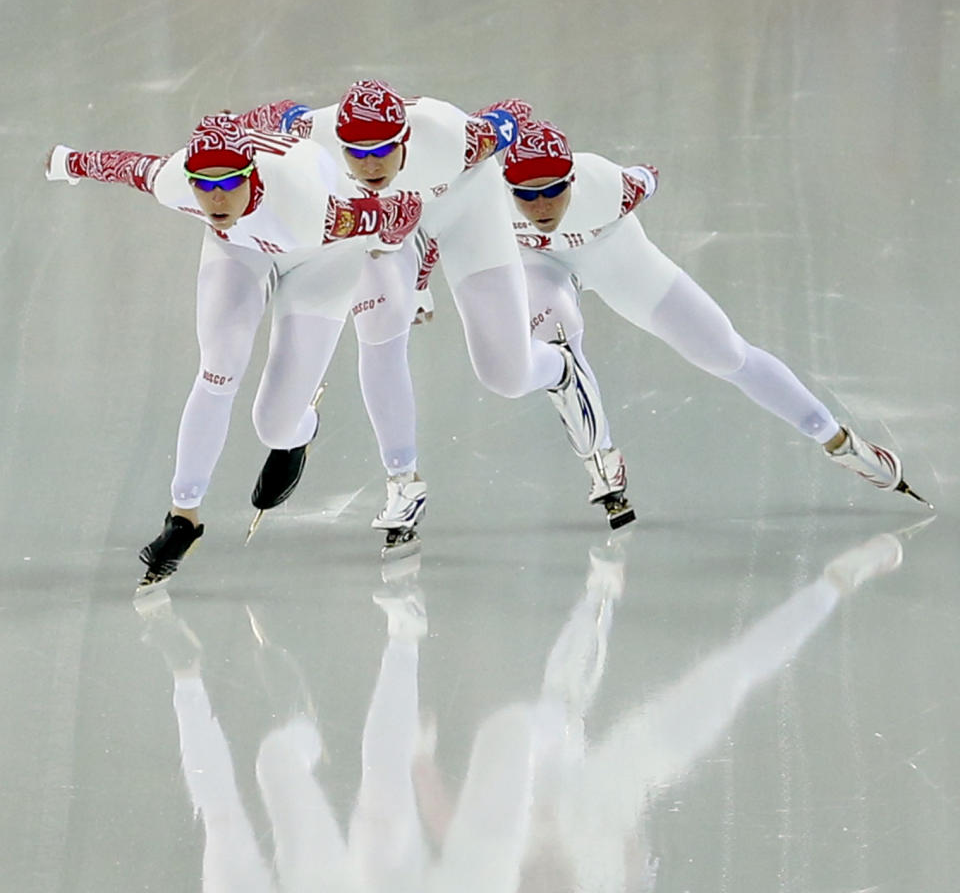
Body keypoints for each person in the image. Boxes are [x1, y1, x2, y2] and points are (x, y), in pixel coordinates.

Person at [45, 104, 424, 587]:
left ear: (253, 176)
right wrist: (65, 162)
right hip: (241, 247)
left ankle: (299, 432)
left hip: (322, 256)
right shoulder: (174, 183)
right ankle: (184, 516)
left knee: (274, 424)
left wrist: (394, 253)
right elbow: (120, 166)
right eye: (203, 183)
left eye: (229, 182)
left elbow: (402, 211)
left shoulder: (317, 212)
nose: (216, 197)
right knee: (219, 366)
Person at [495, 117, 930, 508]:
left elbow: (649, 176)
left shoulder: (611, 186)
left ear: (572, 179)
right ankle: (601, 459)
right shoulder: (488, 199)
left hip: (618, 260)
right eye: (526, 196)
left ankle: (838, 440)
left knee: (725, 355)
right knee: (555, 328)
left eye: (554, 190)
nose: (542, 206)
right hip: (543, 266)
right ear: (506, 187)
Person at [266, 83, 611, 553]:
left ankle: (559, 369)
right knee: (376, 324)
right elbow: (269, 124)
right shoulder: (312, 135)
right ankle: (403, 481)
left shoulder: (456, 139)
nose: (369, 165)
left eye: (383, 151)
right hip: (394, 226)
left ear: (405, 139)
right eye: (357, 153)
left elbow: (514, 111)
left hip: (469, 211)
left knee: (506, 375)